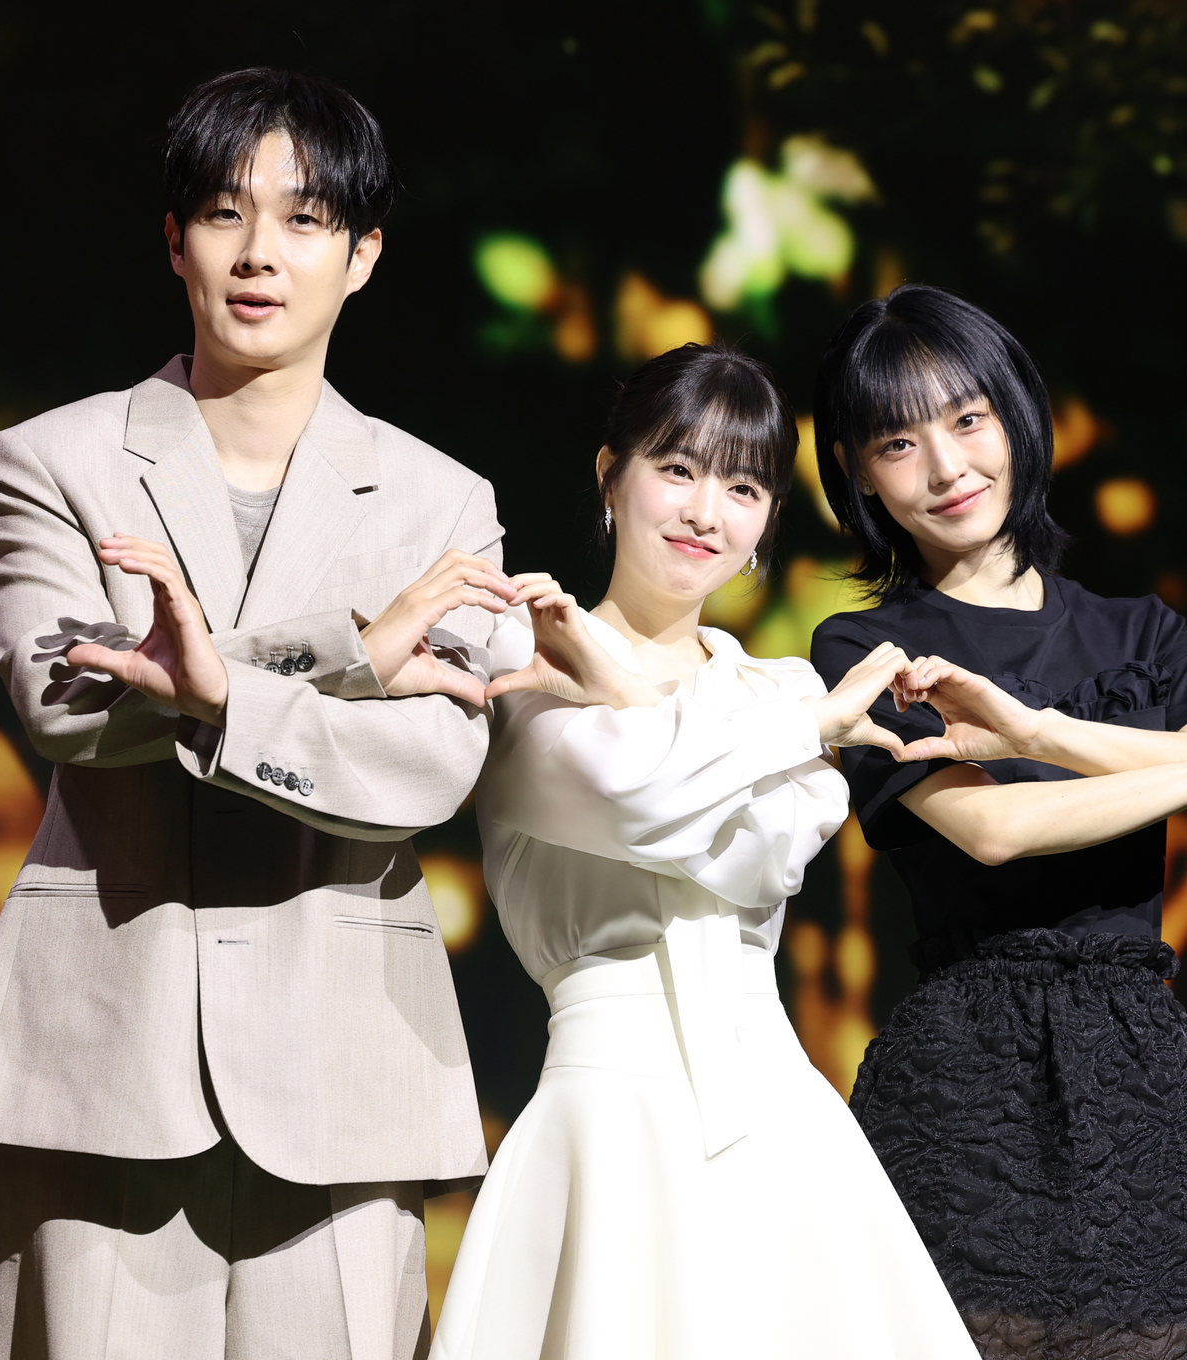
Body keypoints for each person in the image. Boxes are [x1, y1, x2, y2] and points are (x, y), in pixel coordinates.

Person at [0, 68, 540, 1359]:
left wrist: (214, 689)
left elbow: (428, 768)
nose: (259, 252)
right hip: (96, 1057)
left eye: (305, 219)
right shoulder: (52, 459)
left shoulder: (439, 501)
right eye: (223, 212)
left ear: (363, 256)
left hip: (345, 1069)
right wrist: (348, 654)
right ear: (174, 240)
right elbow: (67, 704)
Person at [808, 285, 1187, 1360]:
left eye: (968, 419)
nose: (946, 466)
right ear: (858, 471)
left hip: (1138, 1062)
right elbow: (995, 831)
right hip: (966, 1071)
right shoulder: (864, 649)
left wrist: (1032, 728)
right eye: (897, 443)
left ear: (1017, 415)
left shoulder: (1139, 630)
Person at [429, 343, 978, 1360]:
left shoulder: (778, 689)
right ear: (611, 475)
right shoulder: (527, 657)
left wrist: (626, 694)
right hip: (606, 1110)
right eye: (677, 469)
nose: (704, 513)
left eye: (742, 488)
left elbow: (758, 858)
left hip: (775, 1105)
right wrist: (805, 735)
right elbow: (636, 801)